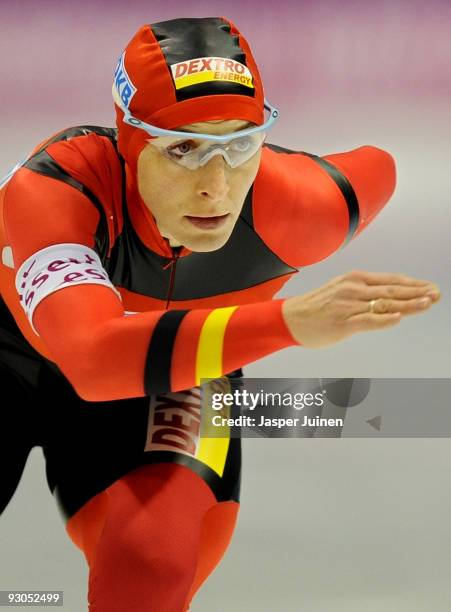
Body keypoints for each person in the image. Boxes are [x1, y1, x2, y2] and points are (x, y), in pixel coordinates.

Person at [0, 16, 440, 612]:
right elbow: (94, 359)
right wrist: (288, 324)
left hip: (170, 371)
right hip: (15, 351)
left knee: (152, 565)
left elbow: (378, 167)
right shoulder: (55, 191)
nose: (216, 185)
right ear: (130, 145)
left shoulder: (304, 207)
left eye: (239, 144)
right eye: (183, 149)